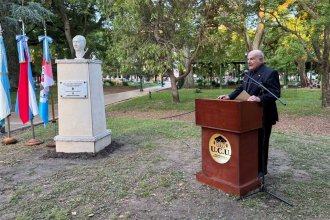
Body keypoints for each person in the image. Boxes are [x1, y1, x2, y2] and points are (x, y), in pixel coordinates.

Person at [218, 49, 281, 177]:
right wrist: (229, 96)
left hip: (263, 115)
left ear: (261, 60)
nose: (249, 61)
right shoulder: (248, 74)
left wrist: (259, 98)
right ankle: (250, 167)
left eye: (252, 59)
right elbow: (242, 89)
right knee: (250, 144)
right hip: (248, 116)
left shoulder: (270, 73)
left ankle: (261, 171)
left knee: (261, 144)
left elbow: (275, 93)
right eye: (248, 59)